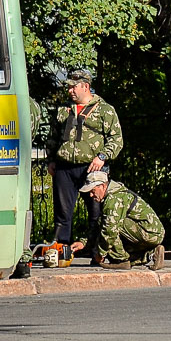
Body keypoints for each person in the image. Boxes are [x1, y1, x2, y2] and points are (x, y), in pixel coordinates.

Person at [45, 67, 123, 257]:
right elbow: (53, 136)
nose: (70, 91)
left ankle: (97, 251)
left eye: (74, 87)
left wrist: (102, 157)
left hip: (92, 167)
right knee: (62, 214)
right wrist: (51, 159)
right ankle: (61, 251)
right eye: (69, 87)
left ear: (85, 87)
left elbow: (116, 139)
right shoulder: (63, 110)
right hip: (64, 167)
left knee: (96, 212)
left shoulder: (104, 110)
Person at [84, 170, 165, 270]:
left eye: (93, 191)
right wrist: (83, 242)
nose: (91, 195)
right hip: (151, 232)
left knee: (109, 226)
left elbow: (110, 230)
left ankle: (121, 260)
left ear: (102, 186)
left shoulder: (114, 199)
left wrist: (100, 253)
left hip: (149, 232)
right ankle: (152, 254)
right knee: (109, 229)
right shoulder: (115, 194)